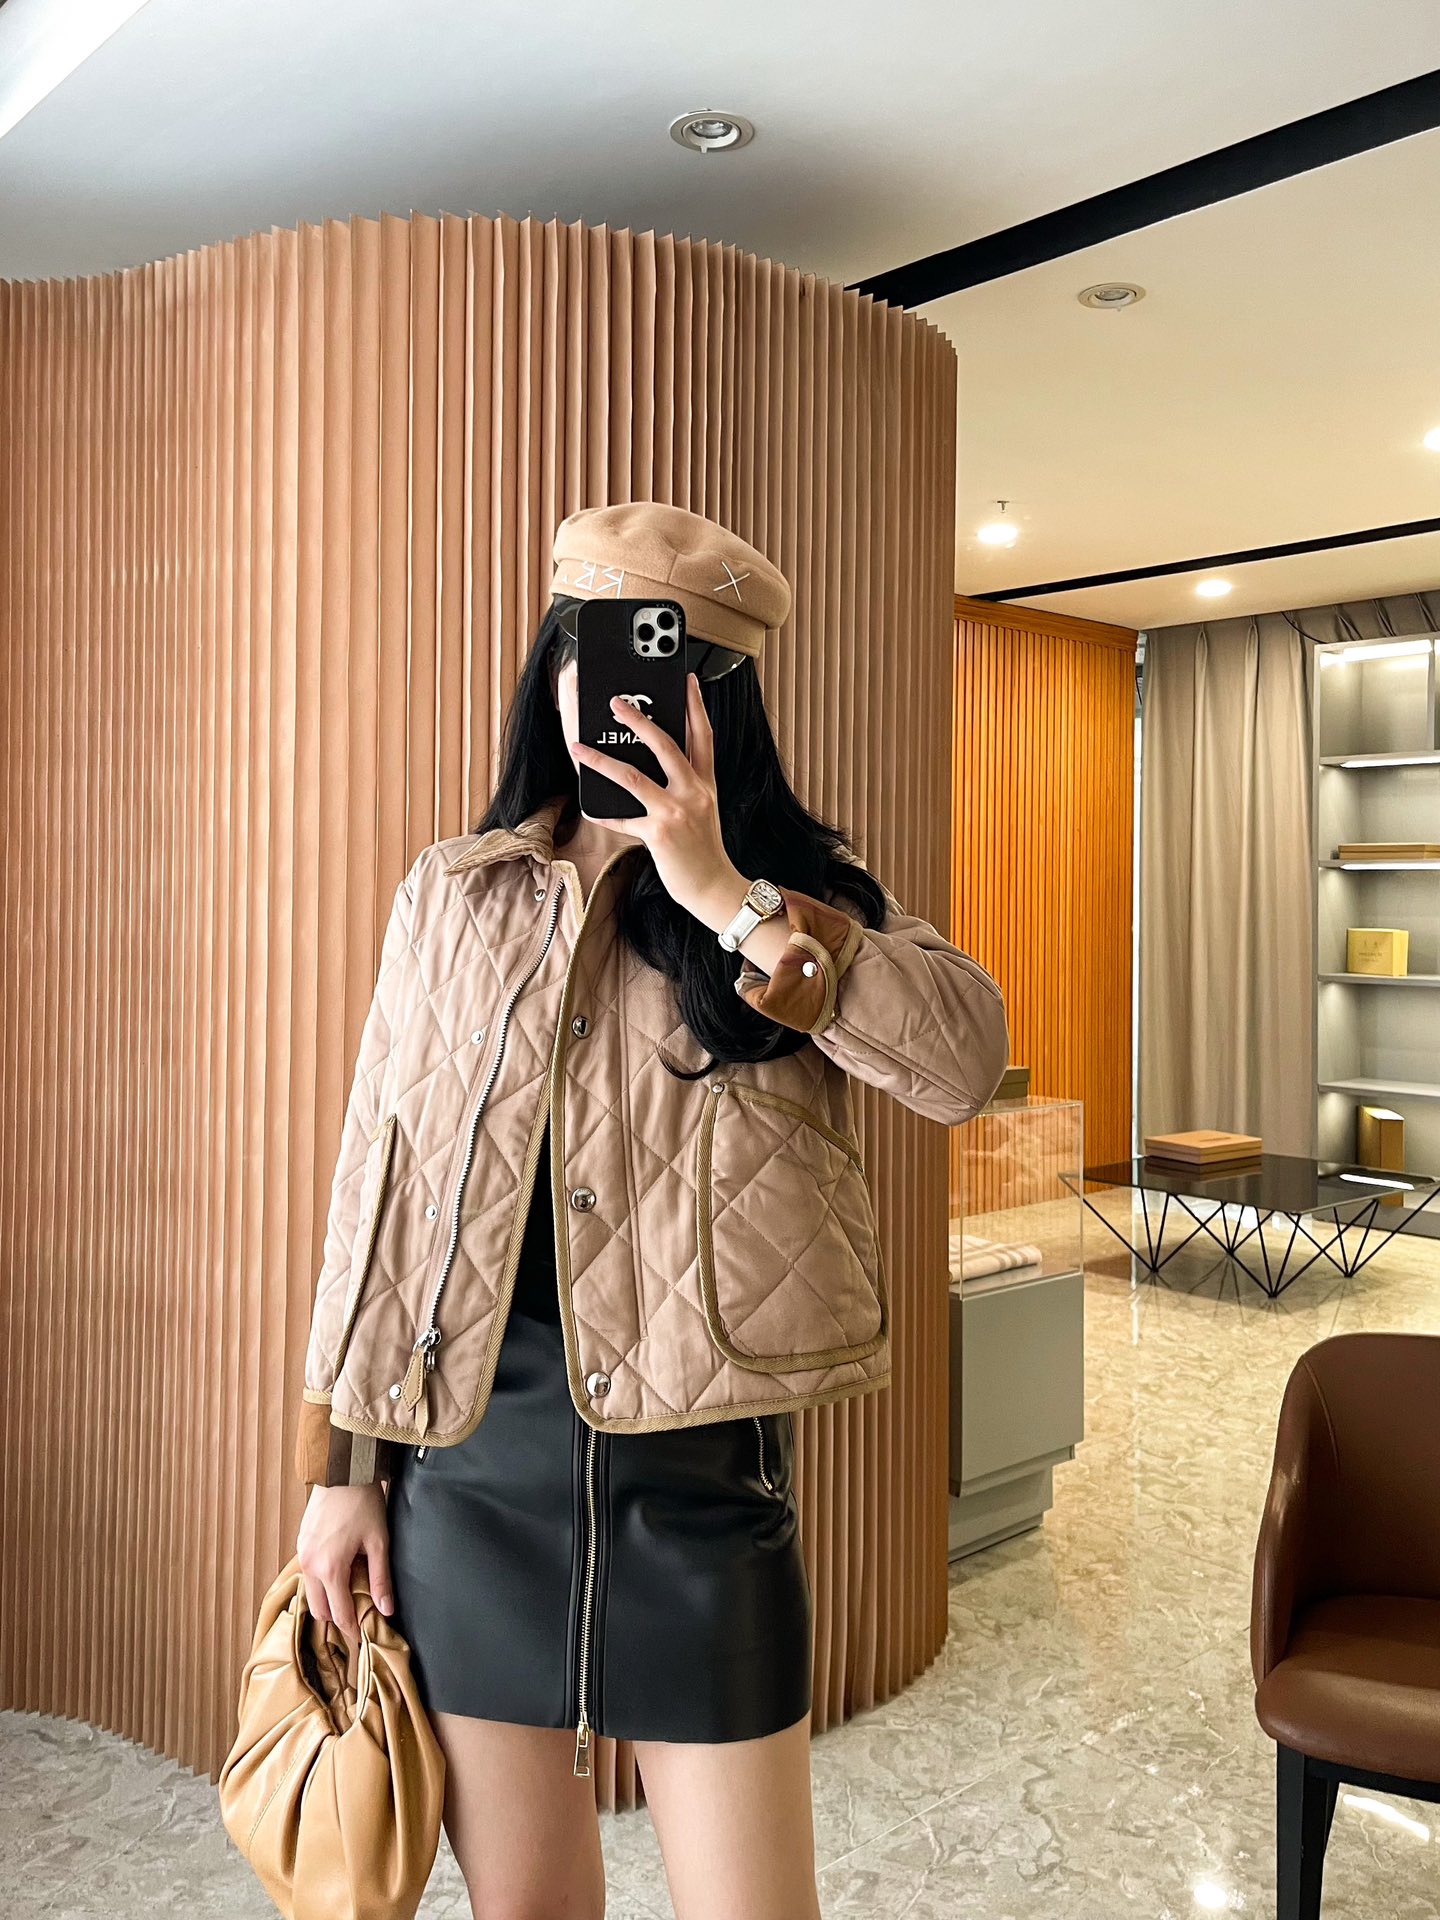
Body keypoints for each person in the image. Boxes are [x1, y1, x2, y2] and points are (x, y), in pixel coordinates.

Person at [293, 501, 1009, 1920]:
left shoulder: (800, 912)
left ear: (716, 702)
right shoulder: (454, 896)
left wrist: (727, 894)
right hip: (468, 1481)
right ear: (552, 669)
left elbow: (964, 1064)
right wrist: (343, 1469)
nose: (612, 690)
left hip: (700, 1494)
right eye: (588, 648)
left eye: (658, 662)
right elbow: (380, 1191)